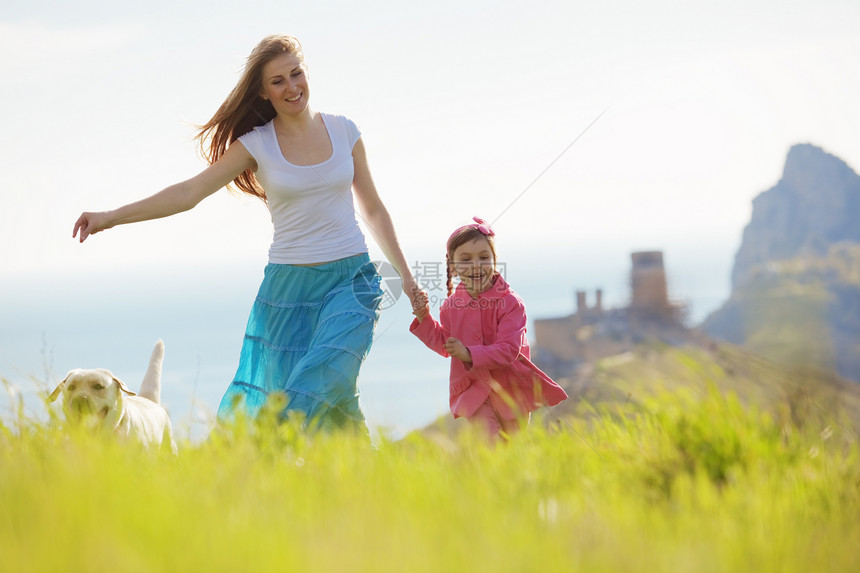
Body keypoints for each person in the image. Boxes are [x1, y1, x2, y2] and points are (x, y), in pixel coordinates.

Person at [72, 35, 419, 434]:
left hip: (353, 282)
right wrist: (112, 217)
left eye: (296, 73)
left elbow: (373, 209)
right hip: (288, 290)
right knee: (333, 398)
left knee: (321, 378)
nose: (292, 87)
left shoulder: (345, 131)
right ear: (263, 91)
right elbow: (189, 193)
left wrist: (406, 278)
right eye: (278, 81)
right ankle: (356, 477)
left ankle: (264, 448)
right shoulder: (257, 144)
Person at [410, 217, 568, 439]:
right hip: (474, 393)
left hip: (512, 391)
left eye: (484, 257)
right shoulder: (450, 306)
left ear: (495, 261)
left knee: (513, 451)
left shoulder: (511, 303)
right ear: (452, 268)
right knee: (489, 444)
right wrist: (423, 317)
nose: (476, 265)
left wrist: (469, 353)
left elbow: (509, 350)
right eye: (465, 259)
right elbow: (446, 345)